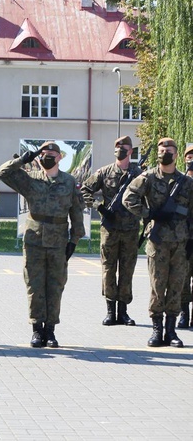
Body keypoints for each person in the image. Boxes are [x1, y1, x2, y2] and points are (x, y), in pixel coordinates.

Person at [0, 141, 85, 348]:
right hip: (34, 239)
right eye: (44, 154)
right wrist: (22, 160)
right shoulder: (30, 179)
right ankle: (37, 330)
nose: (48, 157)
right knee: (35, 285)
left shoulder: (69, 182)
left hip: (58, 240)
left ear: (59, 157)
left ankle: (51, 330)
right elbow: (2, 173)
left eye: (52, 154)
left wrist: (75, 240)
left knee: (55, 286)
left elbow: (77, 212)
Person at [122, 138, 193, 348]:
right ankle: (157, 329)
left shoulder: (187, 182)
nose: (165, 153)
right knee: (157, 285)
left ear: (177, 154)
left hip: (180, 242)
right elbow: (129, 198)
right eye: (162, 150)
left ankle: (171, 330)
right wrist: (150, 213)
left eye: (169, 150)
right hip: (158, 240)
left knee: (176, 286)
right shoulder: (149, 177)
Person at [80, 136, 141, 327]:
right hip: (110, 229)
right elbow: (84, 189)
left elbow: (148, 197)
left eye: (123, 147)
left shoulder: (138, 173)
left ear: (130, 151)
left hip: (130, 229)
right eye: (117, 147)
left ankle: (123, 312)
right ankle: (110, 311)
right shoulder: (104, 172)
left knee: (127, 270)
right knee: (108, 269)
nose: (120, 149)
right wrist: (98, 206)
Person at [180, 144, 193, 328]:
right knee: (182, 277)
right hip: (182, 237)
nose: (192, 160)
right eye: (189, 157)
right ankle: (184, 313)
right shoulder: (180, 182)